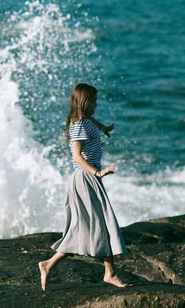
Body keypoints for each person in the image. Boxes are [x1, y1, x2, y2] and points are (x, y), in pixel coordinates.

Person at [38, 83, 130, 291]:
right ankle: (110, 273)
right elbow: (77, 157)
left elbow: (92, 122)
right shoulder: (78, 125)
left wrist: (104, 128)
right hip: (86, 177)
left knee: (85, 227)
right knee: (103, 223)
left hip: (89, 177)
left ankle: (48, 264)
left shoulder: (84, 120)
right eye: (94, 100)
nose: (96, 104)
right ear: (85, 102)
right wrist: (98, 173)